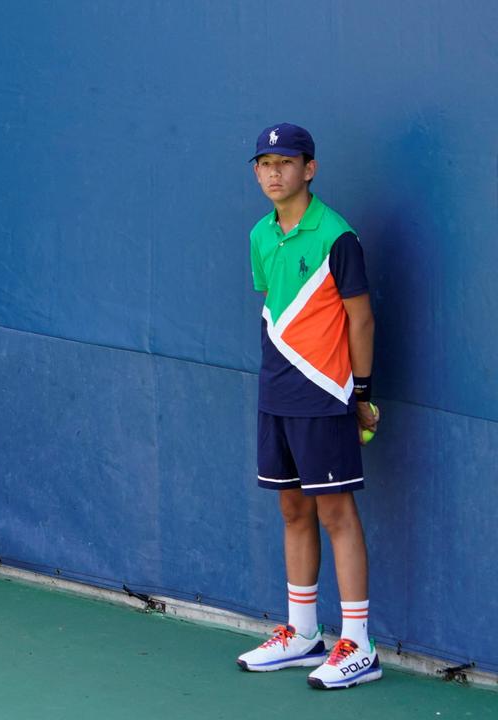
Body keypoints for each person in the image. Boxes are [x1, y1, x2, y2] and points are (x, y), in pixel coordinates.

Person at [235, 124, 381, 689]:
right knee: (292, 510)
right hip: (277, 393)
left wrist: (362, 393)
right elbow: (275, 312)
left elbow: (360, 318)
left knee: (335, 513)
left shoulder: (338, 237)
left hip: (326, 395)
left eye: (285, 162)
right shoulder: (258, 235)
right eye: (264, 163)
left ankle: (359, 643)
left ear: (309, 169)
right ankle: (302, 634)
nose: (274, 173)